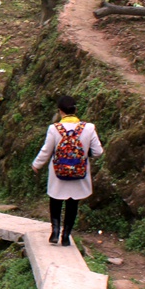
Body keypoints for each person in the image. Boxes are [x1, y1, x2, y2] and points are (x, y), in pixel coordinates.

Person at [31, 95, 104, 246]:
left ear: (60, 111)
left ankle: (55, 231)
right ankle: (66, 236)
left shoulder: (54, 129)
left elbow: (46, 151)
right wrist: (84, 154)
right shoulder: (89, 128)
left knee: (55, 200)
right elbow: (98, 152)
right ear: (76, 110)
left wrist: (37, 164)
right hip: (79, 173)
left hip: (59, 173)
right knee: (73, 203)